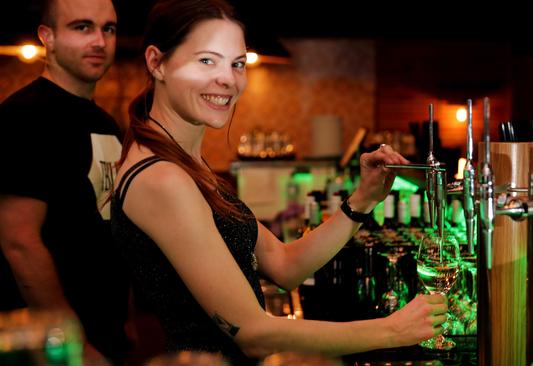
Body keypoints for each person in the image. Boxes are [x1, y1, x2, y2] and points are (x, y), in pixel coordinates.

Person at [111, 0, 447, 364]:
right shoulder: (162, 178)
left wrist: (362, 200)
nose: (227, 78)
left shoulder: (186, 163)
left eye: (236, 63)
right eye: (206, 60)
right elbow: (254, 334)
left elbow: (285, 265)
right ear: (156, 63)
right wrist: (391, 330)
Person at [0, 0, 131, 364]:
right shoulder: (24, 118)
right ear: (48, 37)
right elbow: (18, 242)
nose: (100, 41)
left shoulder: (106, 124)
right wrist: (72, 343)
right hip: (50, 348)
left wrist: (126, 321)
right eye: (82, 27)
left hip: (106, 333)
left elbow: (109, 229)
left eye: (109, 29)